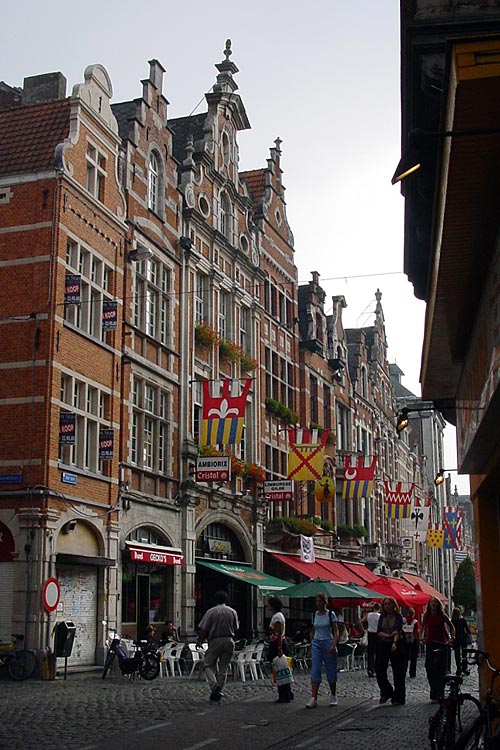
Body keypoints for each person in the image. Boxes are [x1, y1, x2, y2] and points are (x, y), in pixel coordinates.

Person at [195, 590, 239, 702]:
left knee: (207, 664)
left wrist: (199, 641)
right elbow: (236, 627)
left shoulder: (211, 612)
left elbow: (204, 629)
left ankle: (214, 686)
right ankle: (219, 689)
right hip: (229, 639)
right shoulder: (232, 611)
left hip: (215, 640)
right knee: (224, 667)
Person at [306, 592, 339, 708]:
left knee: (330, 669)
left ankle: (333, 695)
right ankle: (314, 697)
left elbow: (336, 631)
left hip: (328, 642)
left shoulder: (331, 615)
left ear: (325, 602)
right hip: (316, 642)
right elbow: (313, 631)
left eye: (320, 601)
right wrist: (311, 645)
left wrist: (333, 644)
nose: (318, 604)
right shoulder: (314, 615)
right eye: (316, 601)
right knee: (315, 669)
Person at [421, 596, 456, 702]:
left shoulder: (442, 615)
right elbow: (422, 626)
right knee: (429, 667)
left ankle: (439, 692)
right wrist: (421, 636)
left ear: (438, 604)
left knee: (440, 669)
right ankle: (433, 691)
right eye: (431, 602)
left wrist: (452, 638)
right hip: (430, 643)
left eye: (435, 602)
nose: (433, 604)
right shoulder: (427, 615)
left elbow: (451, 626)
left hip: (441, 643)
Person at [375, 596, 407, 705]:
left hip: (397, 644)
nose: (387, 606)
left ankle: (399, 697)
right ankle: (387, 691)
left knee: (398, 672)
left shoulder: (398, 616)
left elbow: (397, 630)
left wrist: (394, 642)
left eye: (389, 604)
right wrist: (388, 635)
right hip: (384, 643)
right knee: (379, 669)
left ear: (394, 605)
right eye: (385, 604)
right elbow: (379, 631)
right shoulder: (382, 617)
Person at [267, 596, 293, 703]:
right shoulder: (278, 615)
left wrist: (279, 647)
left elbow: (278, 633)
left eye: (268, 604)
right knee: (282, 669)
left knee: (280, 669)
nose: (267, 606)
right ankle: (287, 693)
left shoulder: (277, 617)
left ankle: (284, 695)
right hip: (280, 643)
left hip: (278, 643)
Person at [359, 602, 380, 677]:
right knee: (377, 653)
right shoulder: (379, 616)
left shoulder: (369, 615)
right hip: (377, 634)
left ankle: (370, 669)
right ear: (379, 609)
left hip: (370, 634)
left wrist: (364, 629)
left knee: (370, 653)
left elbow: (360, 621)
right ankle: (376, 669)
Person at [451, 606, 471, 676]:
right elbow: (467, 629)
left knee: (457, 654)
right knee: (464, 653)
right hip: (463, 638)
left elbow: (451, 630)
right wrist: (469, 635)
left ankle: (458, 667)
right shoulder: (463, 620)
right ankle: (464, 667)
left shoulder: (452, 621)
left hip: (456, 639)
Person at [401, 607, 420, 678]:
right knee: (413, 658)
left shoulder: (403, 621)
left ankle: (403, 671)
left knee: (405, 657)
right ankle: (412, 673)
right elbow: (418, 631)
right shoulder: (415, 622)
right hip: (414, 640)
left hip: (404, 641)